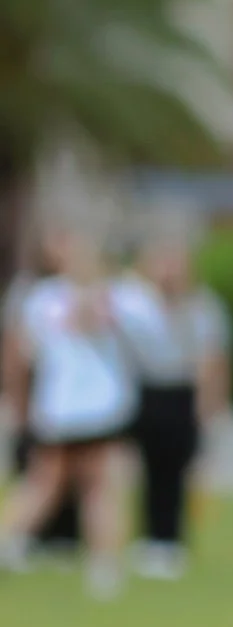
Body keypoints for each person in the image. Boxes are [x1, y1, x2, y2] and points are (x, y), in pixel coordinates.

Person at [1, 229, 139, 594]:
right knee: (47, 482)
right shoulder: (44, 299)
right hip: (62, 405)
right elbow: (29, 349)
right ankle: (11, 541)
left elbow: (114, 326)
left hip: (99, 405)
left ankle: (104, 562)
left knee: (97, 484)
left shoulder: (113, 294)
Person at [111, 230, 232, 575]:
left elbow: (214, 359)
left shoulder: (203, 306)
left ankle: (170, 540)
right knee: (141, 467)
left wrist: (213, 406)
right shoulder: (133, 302)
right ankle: (144, 536)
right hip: (142, 390)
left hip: (180, 391)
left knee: (175, 469)